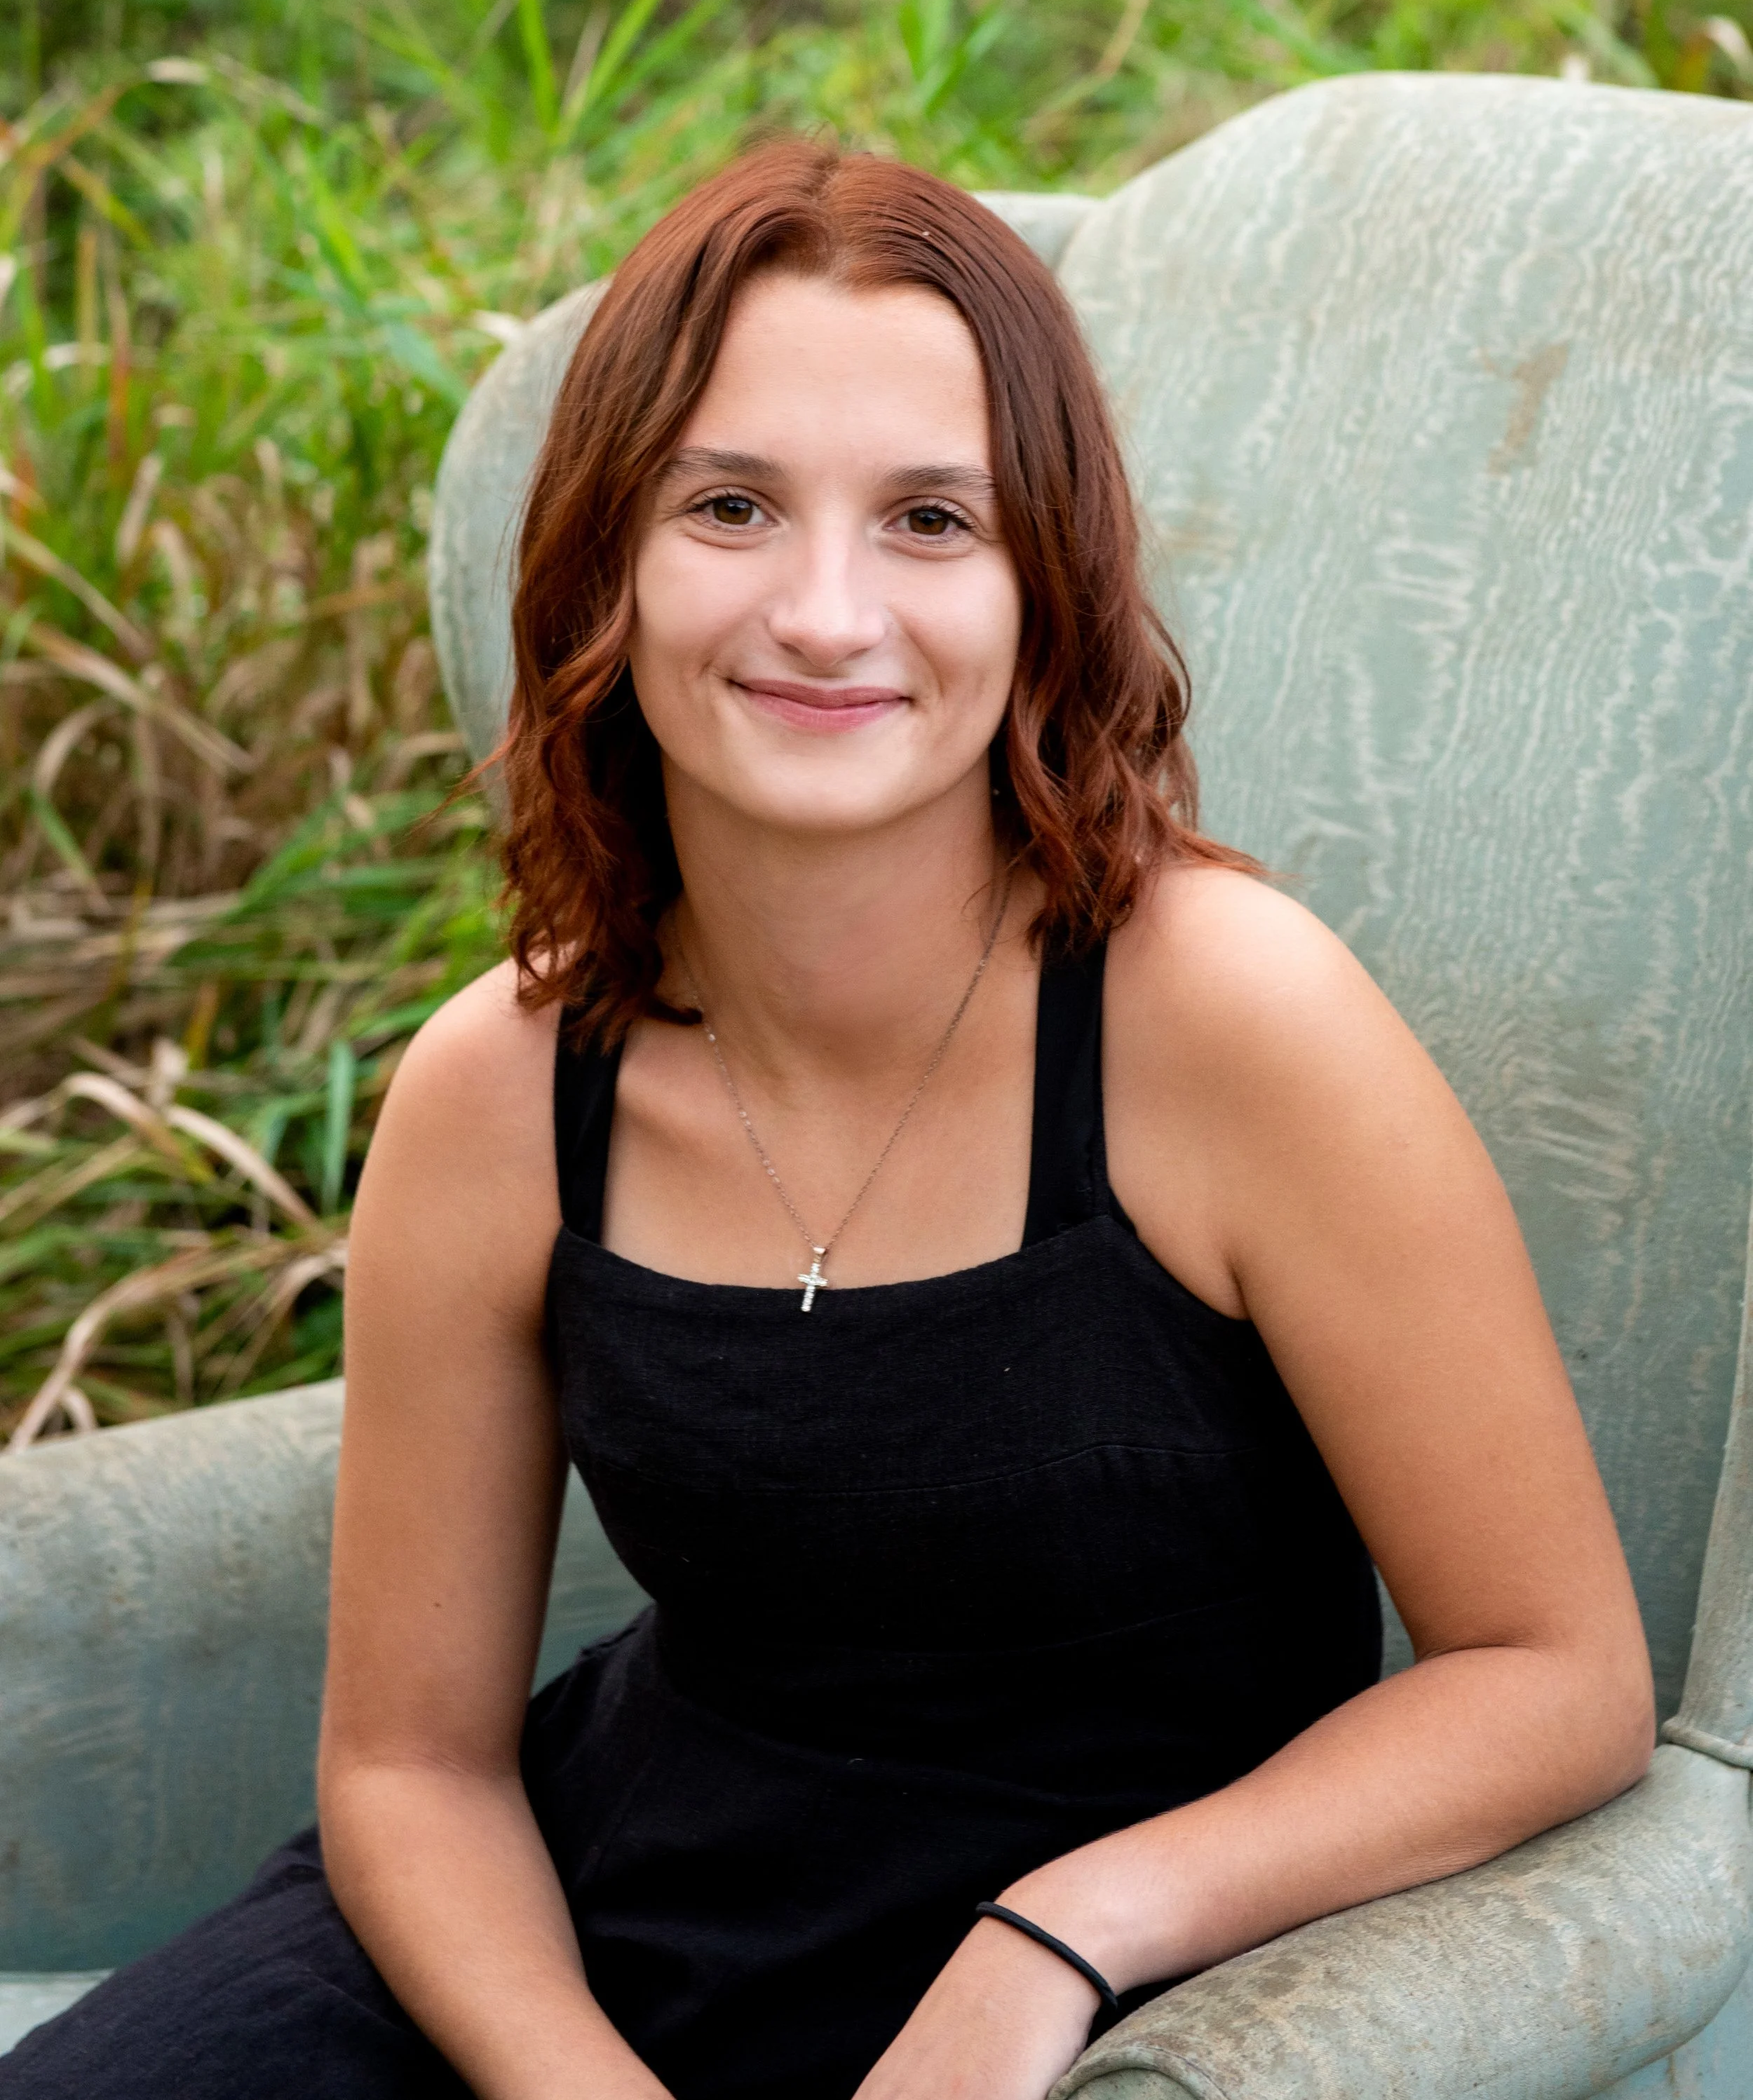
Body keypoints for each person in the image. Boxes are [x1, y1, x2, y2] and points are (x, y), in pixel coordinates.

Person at [3, 144, 1653, 2100]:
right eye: (728, 505)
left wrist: (1059, 1937)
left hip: (1080, 1989)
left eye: (931, 519)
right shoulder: (506, 1091)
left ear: (1046, 578)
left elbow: (1552, 1679)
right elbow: (408, 1767)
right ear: (604, 558)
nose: (822, 611)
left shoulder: (1220, 1019)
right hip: (547, 1971)